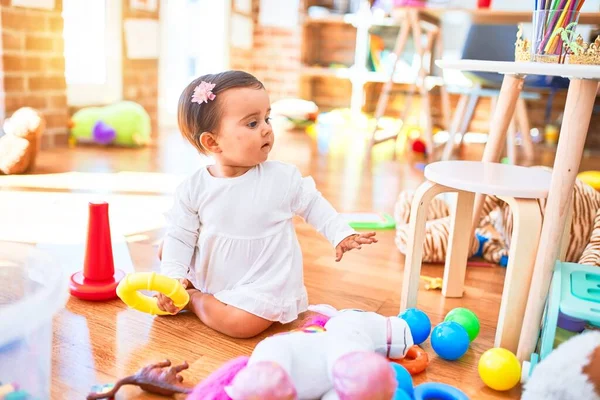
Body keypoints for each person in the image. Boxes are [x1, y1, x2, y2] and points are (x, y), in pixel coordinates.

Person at [156, 70, 377, 338]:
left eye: (267, 118)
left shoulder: (281, 178)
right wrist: (170, 279)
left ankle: (194, 299)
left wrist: (340, 233)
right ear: (212, 142)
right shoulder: (193, 188)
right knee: (170, 246)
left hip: (261, 280)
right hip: (212, 270)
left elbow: (313, 205)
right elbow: (181, 236)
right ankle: (188, 285)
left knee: (242, 325)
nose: (267, 128)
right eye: (252, 124)